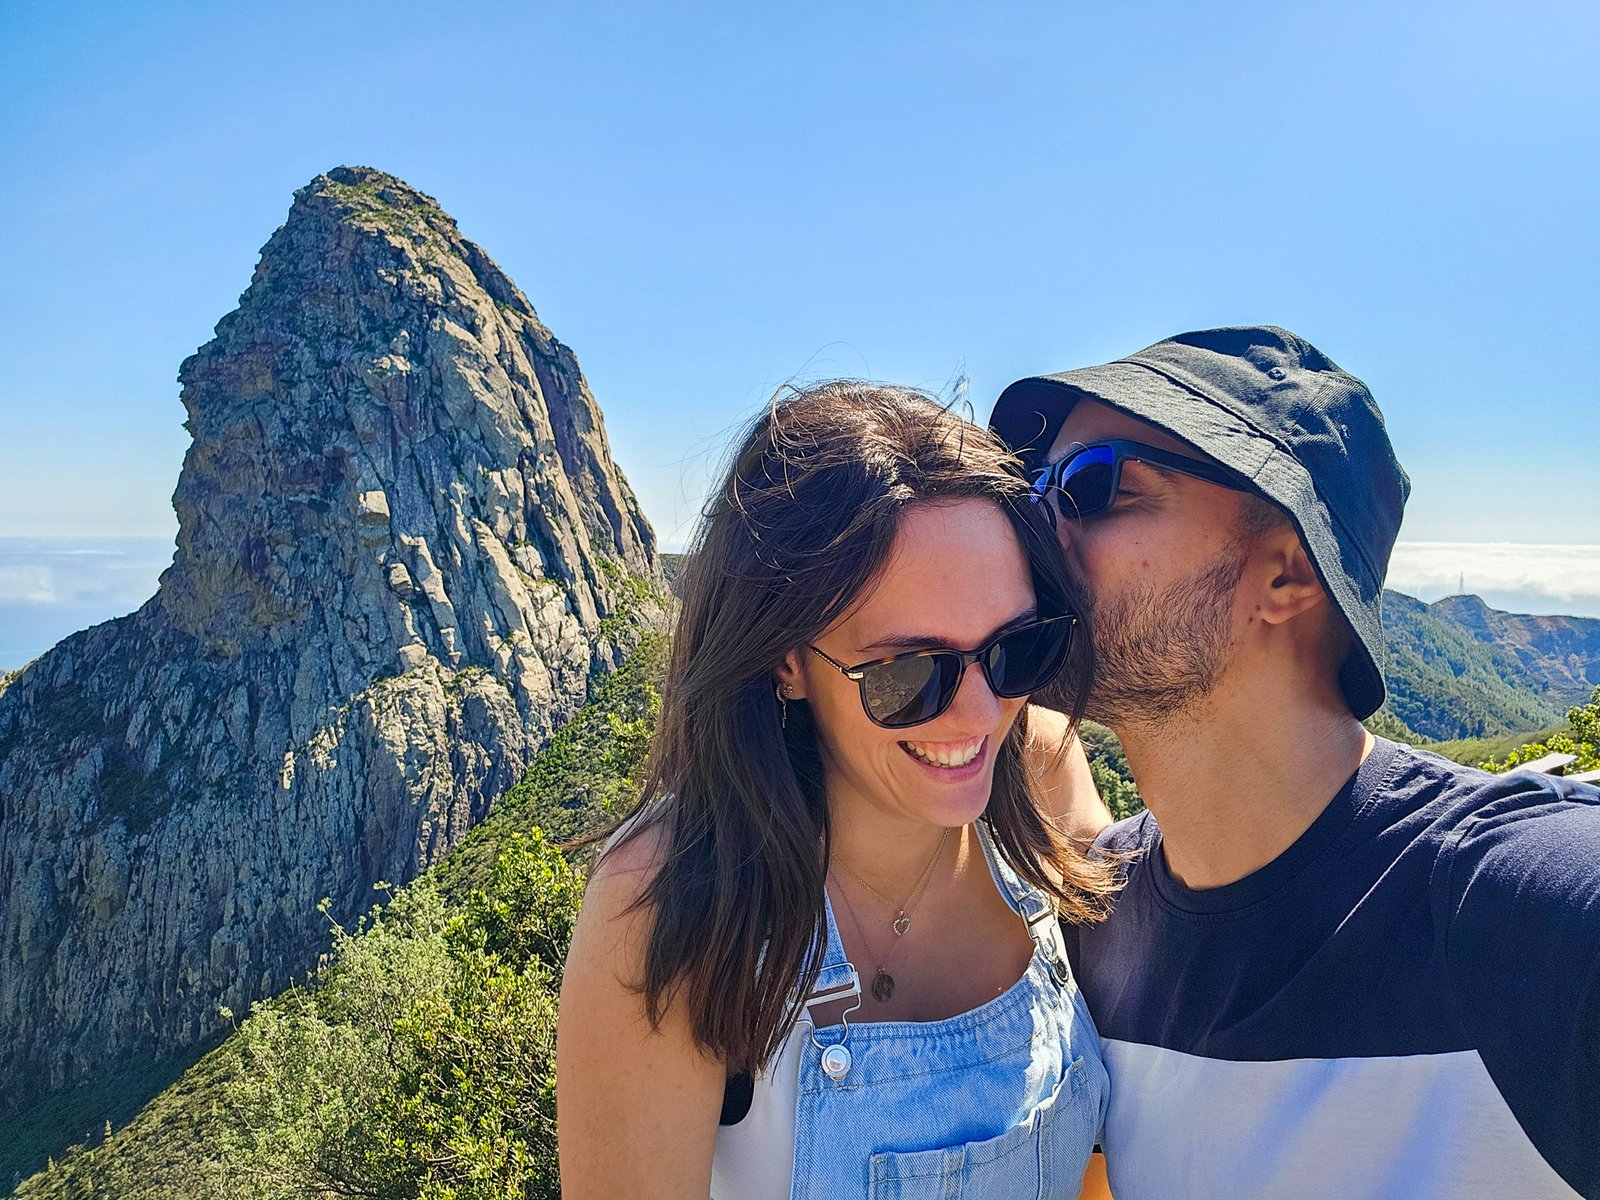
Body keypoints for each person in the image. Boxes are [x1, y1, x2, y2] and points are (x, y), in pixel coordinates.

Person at [991, 325, 1600, 1200]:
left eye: (1093, 485)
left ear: (1287, 574)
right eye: (1031, 493)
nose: (1034, 531)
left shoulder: (1524, 914)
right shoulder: (1103, 923)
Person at [557, 382, 1119, 1199]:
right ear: (786, 663)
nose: (979, 714)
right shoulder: (674, 900)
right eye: (909, 674)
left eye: (1015, 650)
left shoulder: (1040, 776)